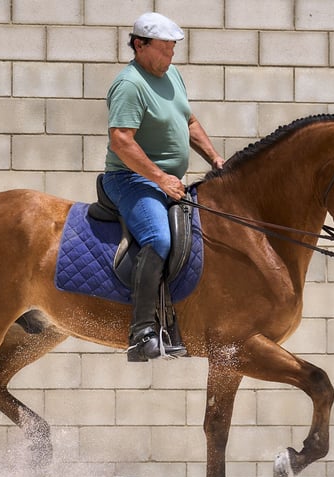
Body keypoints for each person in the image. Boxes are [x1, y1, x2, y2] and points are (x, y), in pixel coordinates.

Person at [103, 12, 225, 362]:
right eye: (165, 48)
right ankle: (141, 333)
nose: (171, 55)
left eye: (173, 48)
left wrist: (215, 158)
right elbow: (121, 141)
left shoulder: (171, 75)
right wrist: (160, 178)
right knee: (158, 238)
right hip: (130, 180)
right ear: (140, 45)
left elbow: (189, 120)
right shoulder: (130, 84)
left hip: (167, 183)